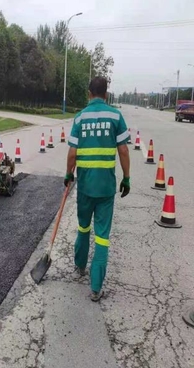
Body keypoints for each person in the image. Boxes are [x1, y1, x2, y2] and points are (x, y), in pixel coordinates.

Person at [64, 76, 131, 302]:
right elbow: (123, 150)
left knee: (83, 228)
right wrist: (127, 178)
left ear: (89, 93)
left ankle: (80, 267)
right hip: (105, 189)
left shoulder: (80, 117)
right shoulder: (115, 116)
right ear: (106, 93)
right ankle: (95, 288)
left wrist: (68, 174)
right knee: (102, 236)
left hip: (84, 187)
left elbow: (72, 153)